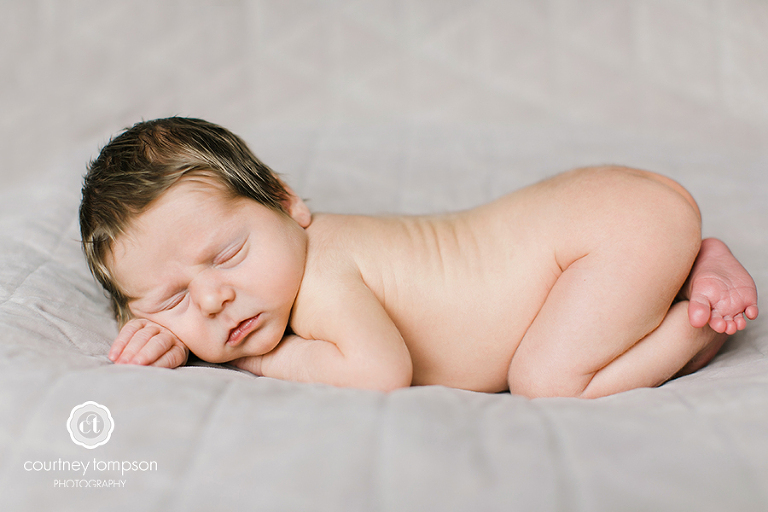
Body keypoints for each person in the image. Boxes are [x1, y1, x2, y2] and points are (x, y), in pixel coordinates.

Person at [79, 117, 759, 398]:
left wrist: (246, 357)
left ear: (288, 204)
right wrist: (173, 337)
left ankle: (691, 320)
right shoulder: (267, 276)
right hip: (610, 220)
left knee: (549, 383)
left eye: (228, 254)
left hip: (606, 231)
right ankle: (689, 261)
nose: (212, 301)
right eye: (169, 302)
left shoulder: (322, 273)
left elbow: (379, 373)